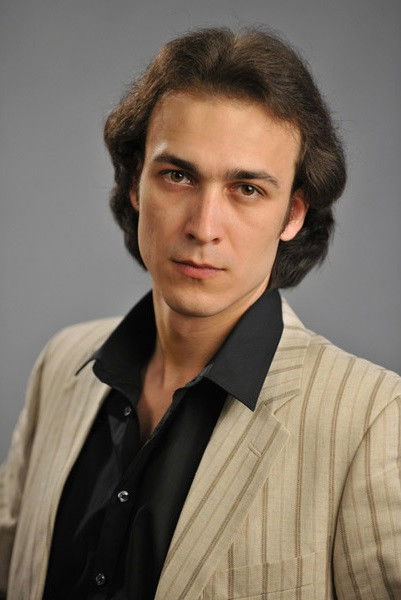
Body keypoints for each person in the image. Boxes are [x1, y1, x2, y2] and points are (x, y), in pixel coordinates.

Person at [1, 26, 400, 600]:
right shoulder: (60, 365)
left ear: (292, 214)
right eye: (178, 176)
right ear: (135, 184)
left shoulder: (371, 418)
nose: (203, 227)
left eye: (247, 189)